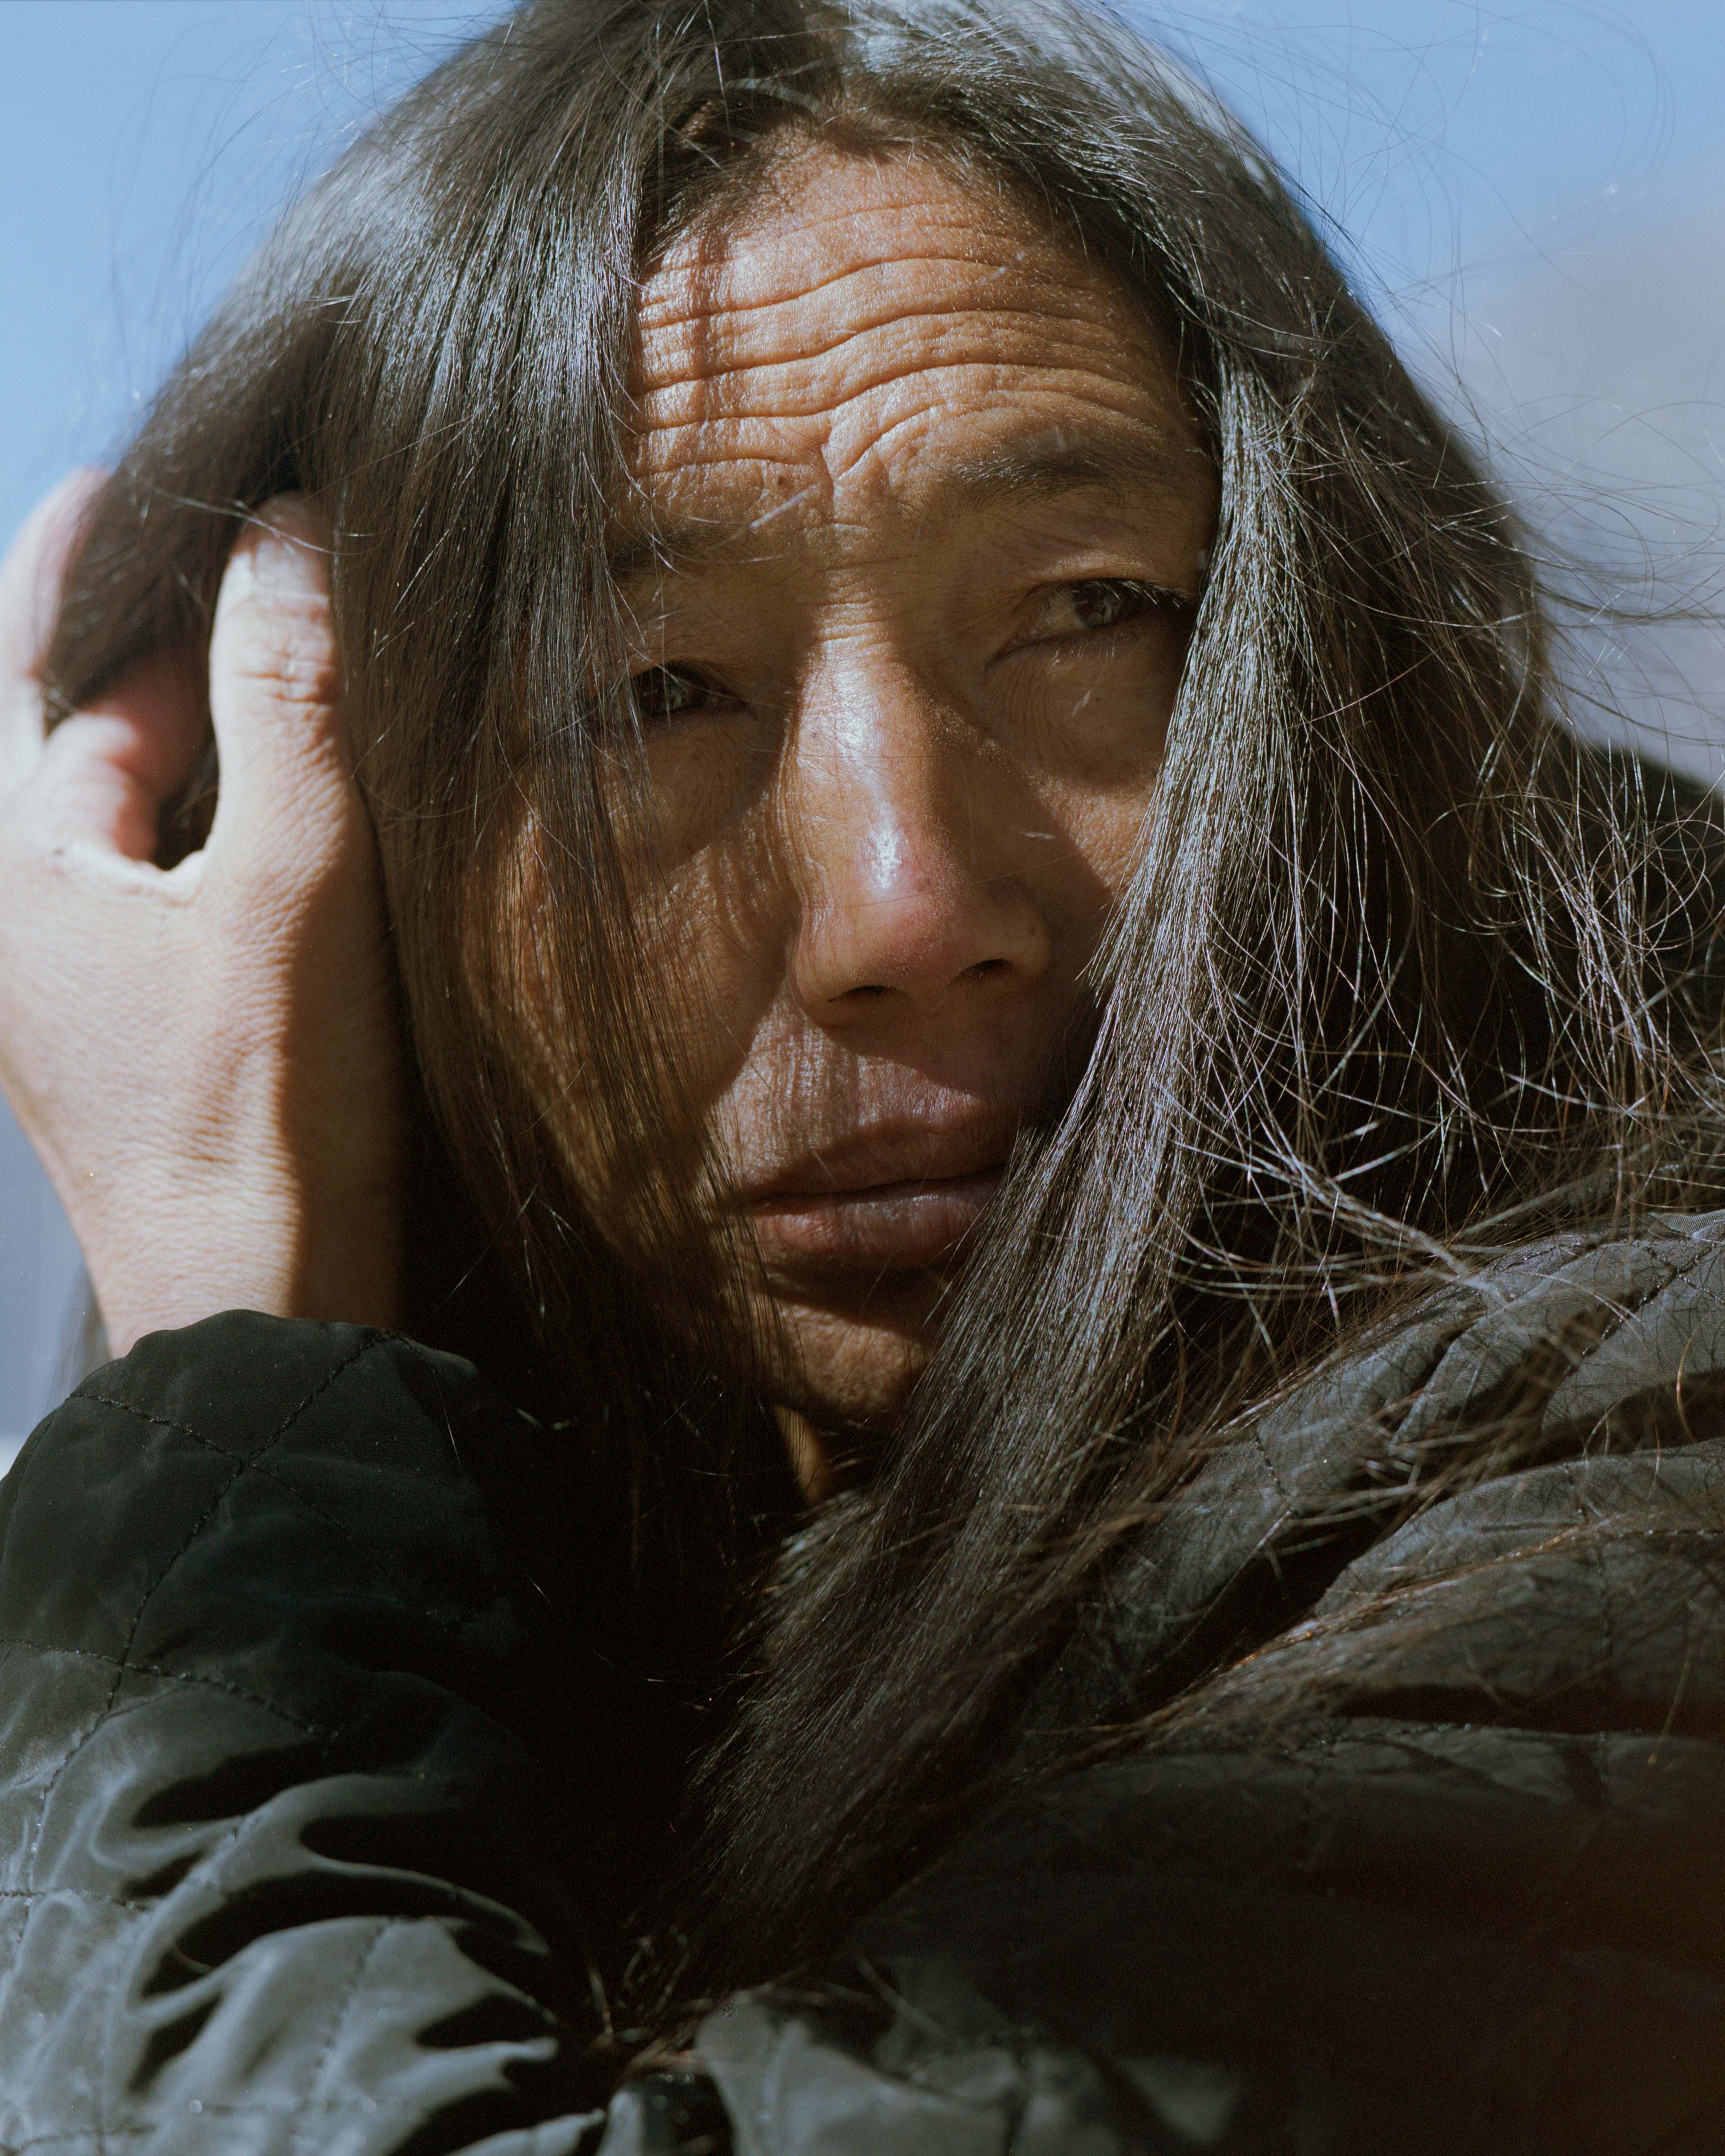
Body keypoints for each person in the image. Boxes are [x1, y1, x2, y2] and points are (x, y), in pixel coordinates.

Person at [2, 0, 1725, 2146]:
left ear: (1343, 667)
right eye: (647, 694)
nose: (907, 910)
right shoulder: (583, 1546)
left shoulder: (1646, 1450)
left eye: (1089, 612)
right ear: (307, 871)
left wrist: (228, 1381)